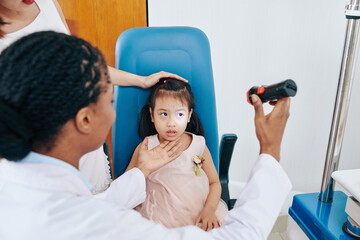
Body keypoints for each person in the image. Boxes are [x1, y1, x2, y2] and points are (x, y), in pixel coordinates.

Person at [0, 31, 292, 239]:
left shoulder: (18, 190)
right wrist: (270, 150)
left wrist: (142, 171)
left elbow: (93, 207)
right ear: (86, 119)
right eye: (110, 100)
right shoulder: (100, 225)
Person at [0, 0, 186, 193]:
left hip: (82, 142)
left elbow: (80, 64)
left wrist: (141, 80)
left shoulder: (47, 4)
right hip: (44, 150)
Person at [126, 78, 228, 230]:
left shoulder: (198, 145)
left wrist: (209, 210)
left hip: (198, 215)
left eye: (179, 114)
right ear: (152, 115)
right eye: (163, 114)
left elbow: (214, 183)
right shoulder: (146, 147)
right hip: (159, 218)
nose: (171, 123)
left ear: (189, 115)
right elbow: (126, 185)